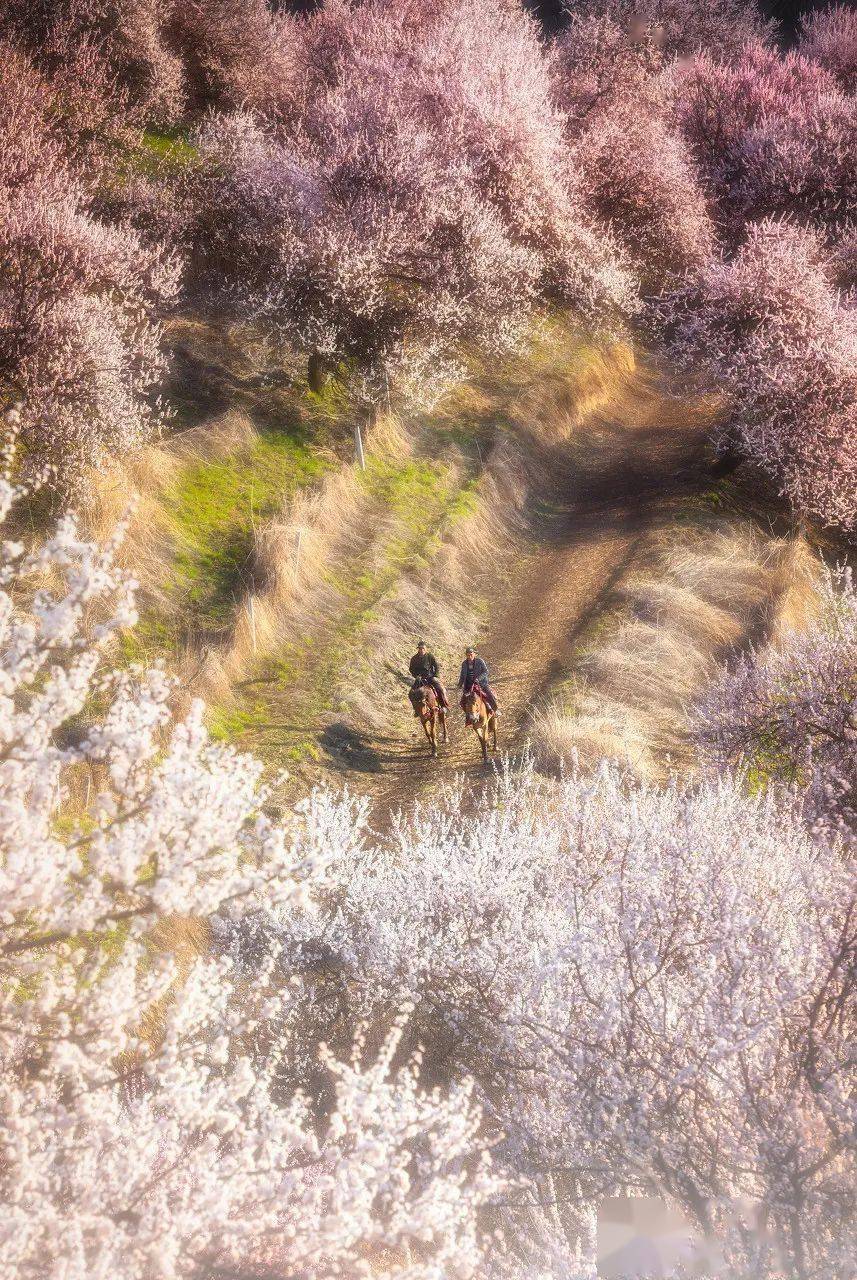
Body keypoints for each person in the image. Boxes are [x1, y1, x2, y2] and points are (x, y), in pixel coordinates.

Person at [408, 641, 450, 710]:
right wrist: (416, 676)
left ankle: (444, 706)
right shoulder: (414, 658)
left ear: (426, 649)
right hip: (419, 678)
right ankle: (416, 709)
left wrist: (436, 675)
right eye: (420, 648)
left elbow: (436, 666)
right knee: (411, 693)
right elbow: (411, 669)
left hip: (430, 677)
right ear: (418, 649)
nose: (421, 650)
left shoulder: (430, 656)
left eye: (423, 648)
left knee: (440, 688)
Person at [457, 646, 498, 714]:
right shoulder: (464, 664)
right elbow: (462, 675)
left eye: (471, 655)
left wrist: (479, 679)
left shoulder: (480, 661)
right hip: (469, 686)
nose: (469, 657)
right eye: (468, 655)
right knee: (463, 701)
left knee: (490, 695)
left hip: (481, 684)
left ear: (474, 654)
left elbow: (486, 671)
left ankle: (495, 709)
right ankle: (469, 714)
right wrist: (459, 684)